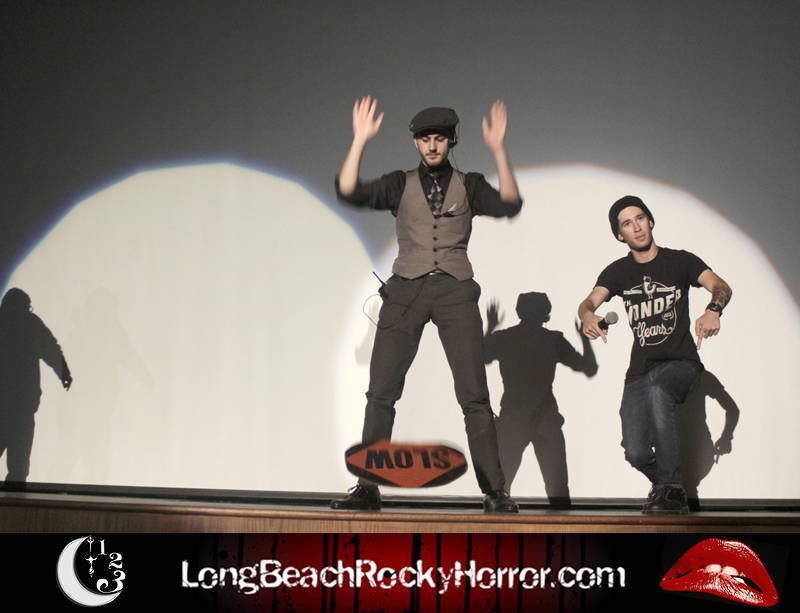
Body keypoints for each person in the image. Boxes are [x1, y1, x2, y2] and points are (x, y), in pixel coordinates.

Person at [332, 96, 522, 512]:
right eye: (424, 139)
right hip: (405, 290)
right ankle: (367, 486)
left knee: (474, 395)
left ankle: (495, 490)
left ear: (451, 141)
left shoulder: (469, 184)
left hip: (455, 290)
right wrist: (360, 139)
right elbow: (349, 190)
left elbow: (509, 203)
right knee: (381, 392)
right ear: (415, 143)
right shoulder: (399, 184)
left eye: (439, 138)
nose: (432, 145)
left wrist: (498, 149)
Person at [577, 196, 732, 514]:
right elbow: (588, 302)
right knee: (634, 451)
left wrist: (713, 310)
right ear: (620, 234)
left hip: (681, 364)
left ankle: (671, 488)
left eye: (640, 218)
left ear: (650, 221)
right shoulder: (618, 272)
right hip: (639, 372)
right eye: (627, 223)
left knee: (660, 389)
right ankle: (667, 486)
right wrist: (587, 315)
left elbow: (721, 286)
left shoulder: (681, 261)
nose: (636, 227)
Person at [0, 288, 72, 489]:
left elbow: (51, 348)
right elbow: (51, 349)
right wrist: (64, 373)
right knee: (19, 463)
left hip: (11, 403)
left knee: (18, 462)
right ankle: (13, 501)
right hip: (23, 405)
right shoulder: (30, 323)